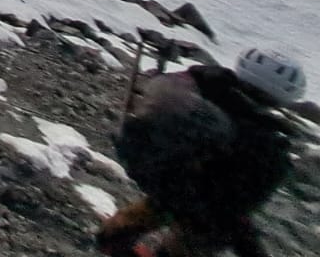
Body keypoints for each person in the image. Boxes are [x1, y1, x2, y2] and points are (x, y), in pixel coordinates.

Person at [97, 46, 304, 257]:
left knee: (111, 238)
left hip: (168, 187)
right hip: (202, 212)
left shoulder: (199, 84)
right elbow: (235, 210)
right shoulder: (267, 144)